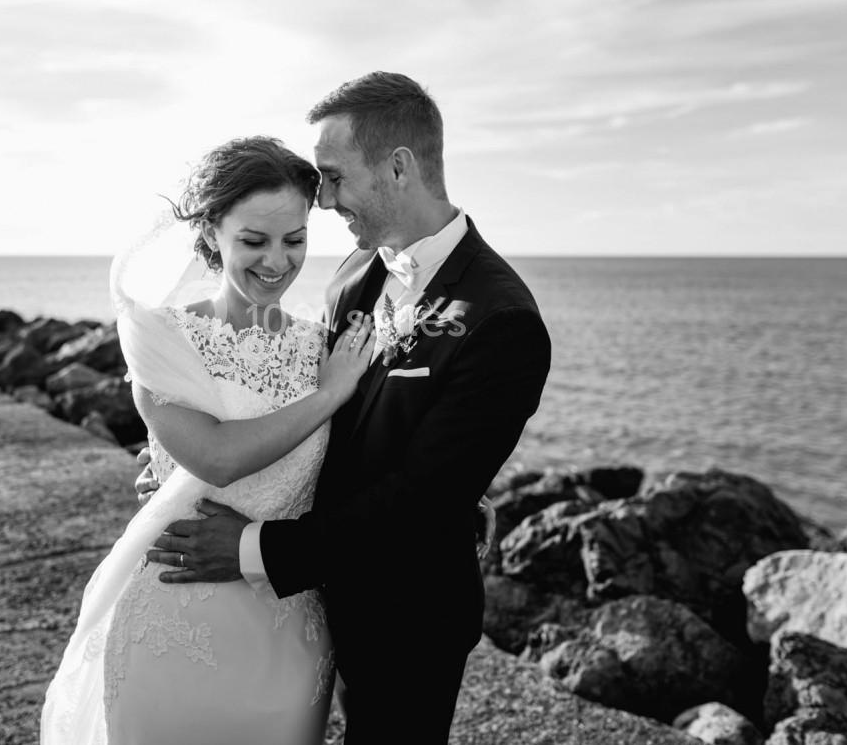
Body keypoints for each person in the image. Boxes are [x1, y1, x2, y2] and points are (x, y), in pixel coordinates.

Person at [144, 72, 552, 743]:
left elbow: (424, 499)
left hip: (405, 617)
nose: (323, 200)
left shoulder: (501, 320)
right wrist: (176, 458)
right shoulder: (353, 276)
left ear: (398, 167)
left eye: (333, 177)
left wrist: (253, 548)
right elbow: (307, 406)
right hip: (303, 603)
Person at [40, 136, 377, 745]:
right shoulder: (163, 339)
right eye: (254, 240)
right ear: (211, 233)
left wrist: (462, 496)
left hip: (288, 632)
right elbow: (217, 458)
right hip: (176, 621)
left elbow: (371, 454)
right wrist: (327, 397)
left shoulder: (321, 347)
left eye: (294, 239)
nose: (277, 261)